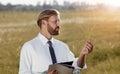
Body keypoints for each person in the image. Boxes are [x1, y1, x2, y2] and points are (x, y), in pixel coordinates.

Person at [19, 9, 93, 74]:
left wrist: (83, 54)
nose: (58, 25)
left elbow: (76, 68)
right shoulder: (29, 47)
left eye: (58, 21)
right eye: (55, 22)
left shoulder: (63, 46)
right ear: (44, 23)